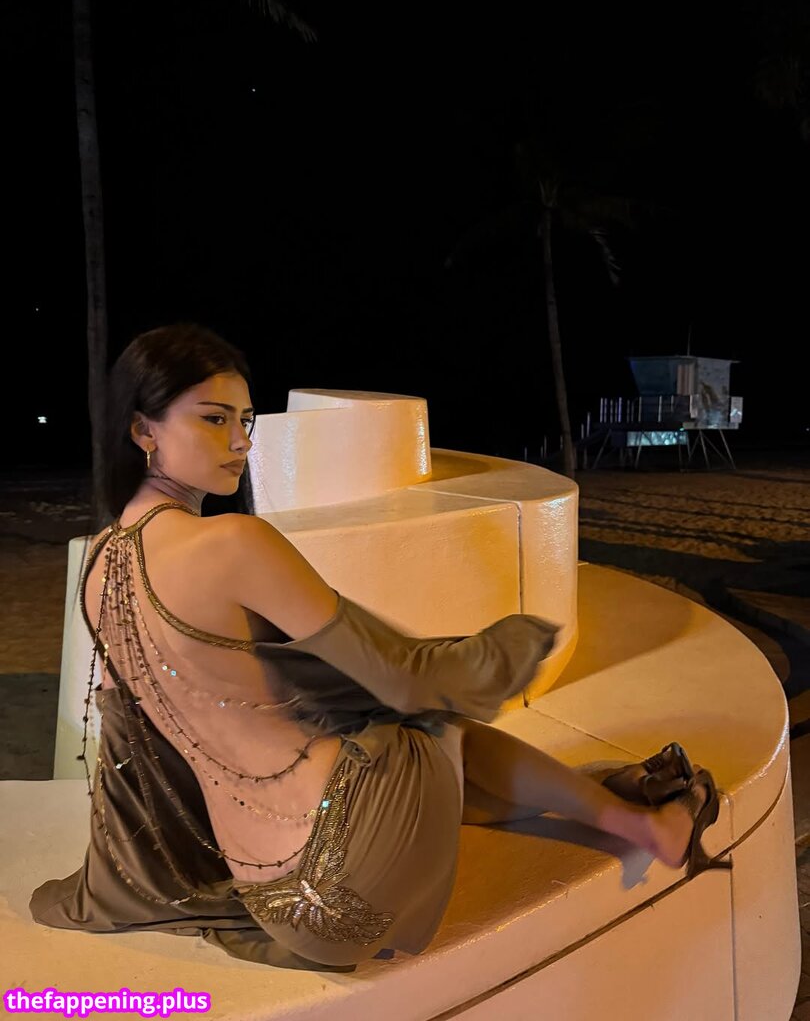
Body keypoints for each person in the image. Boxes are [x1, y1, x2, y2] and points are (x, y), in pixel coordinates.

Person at [30, 323, 730, 970]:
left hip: (281, 911)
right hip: (353, 873)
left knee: (397, 734)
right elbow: (404, 674)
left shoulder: (98, 567)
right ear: (142, 429)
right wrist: (510, 644)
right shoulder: (232, 542)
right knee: (428, 722)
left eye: (246, 420)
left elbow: (134, 754)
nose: (241, 442)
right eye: (214, 419)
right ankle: (643, 823)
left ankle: (625, 812)